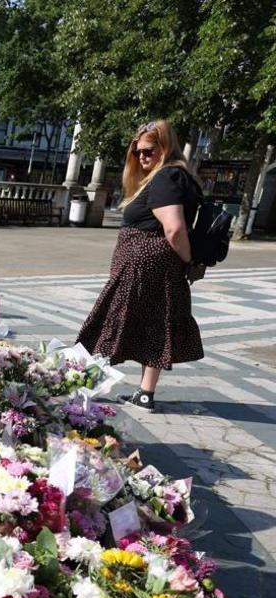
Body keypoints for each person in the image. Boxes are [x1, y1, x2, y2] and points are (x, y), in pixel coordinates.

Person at [76, 119, 204, 411]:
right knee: (156, 325)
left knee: (111, 321)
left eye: (148, 150)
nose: (141, 157)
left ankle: (82, 384)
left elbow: (174, 228)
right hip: (159, 264)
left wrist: (189, 260)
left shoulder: (166, 178)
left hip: (144, 263)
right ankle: (145, 394)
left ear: (166, 147)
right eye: (137, 152)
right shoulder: (181, 177)